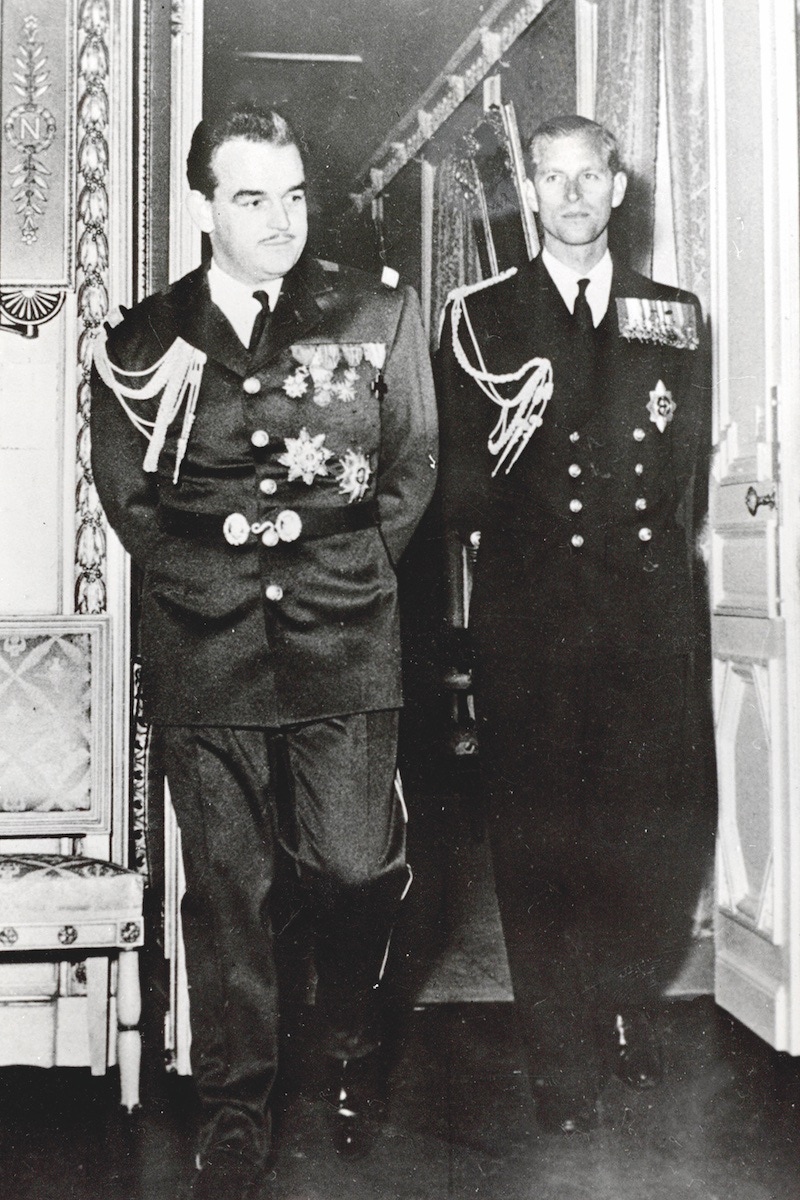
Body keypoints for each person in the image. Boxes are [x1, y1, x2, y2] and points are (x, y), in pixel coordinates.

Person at [90, 105, 437, 1199]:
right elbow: (130, 500)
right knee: (229, 889)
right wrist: (214, 588)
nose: (279, 220)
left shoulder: (376, 313)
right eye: (251, 199)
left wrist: (345, 573)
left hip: (344, 634)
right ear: (204, 208)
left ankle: (351, 1041)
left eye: (292, 194)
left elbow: (411, 469)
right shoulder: (143, 337)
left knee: (352, 864)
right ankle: (235, 1110)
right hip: (208, 646)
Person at [436, 115, 716, 1135]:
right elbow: (460, 485)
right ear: (531, 196)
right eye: (549, 179)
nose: (568, 196)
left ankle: (621, 1002)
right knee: (539, 836)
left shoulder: (672, 317)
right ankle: (558, 1049)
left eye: (585, 176)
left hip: (644, 619)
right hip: (531, 624)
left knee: (650, 832)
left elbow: (677, 477)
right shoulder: (481, 320)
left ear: (617, 185)